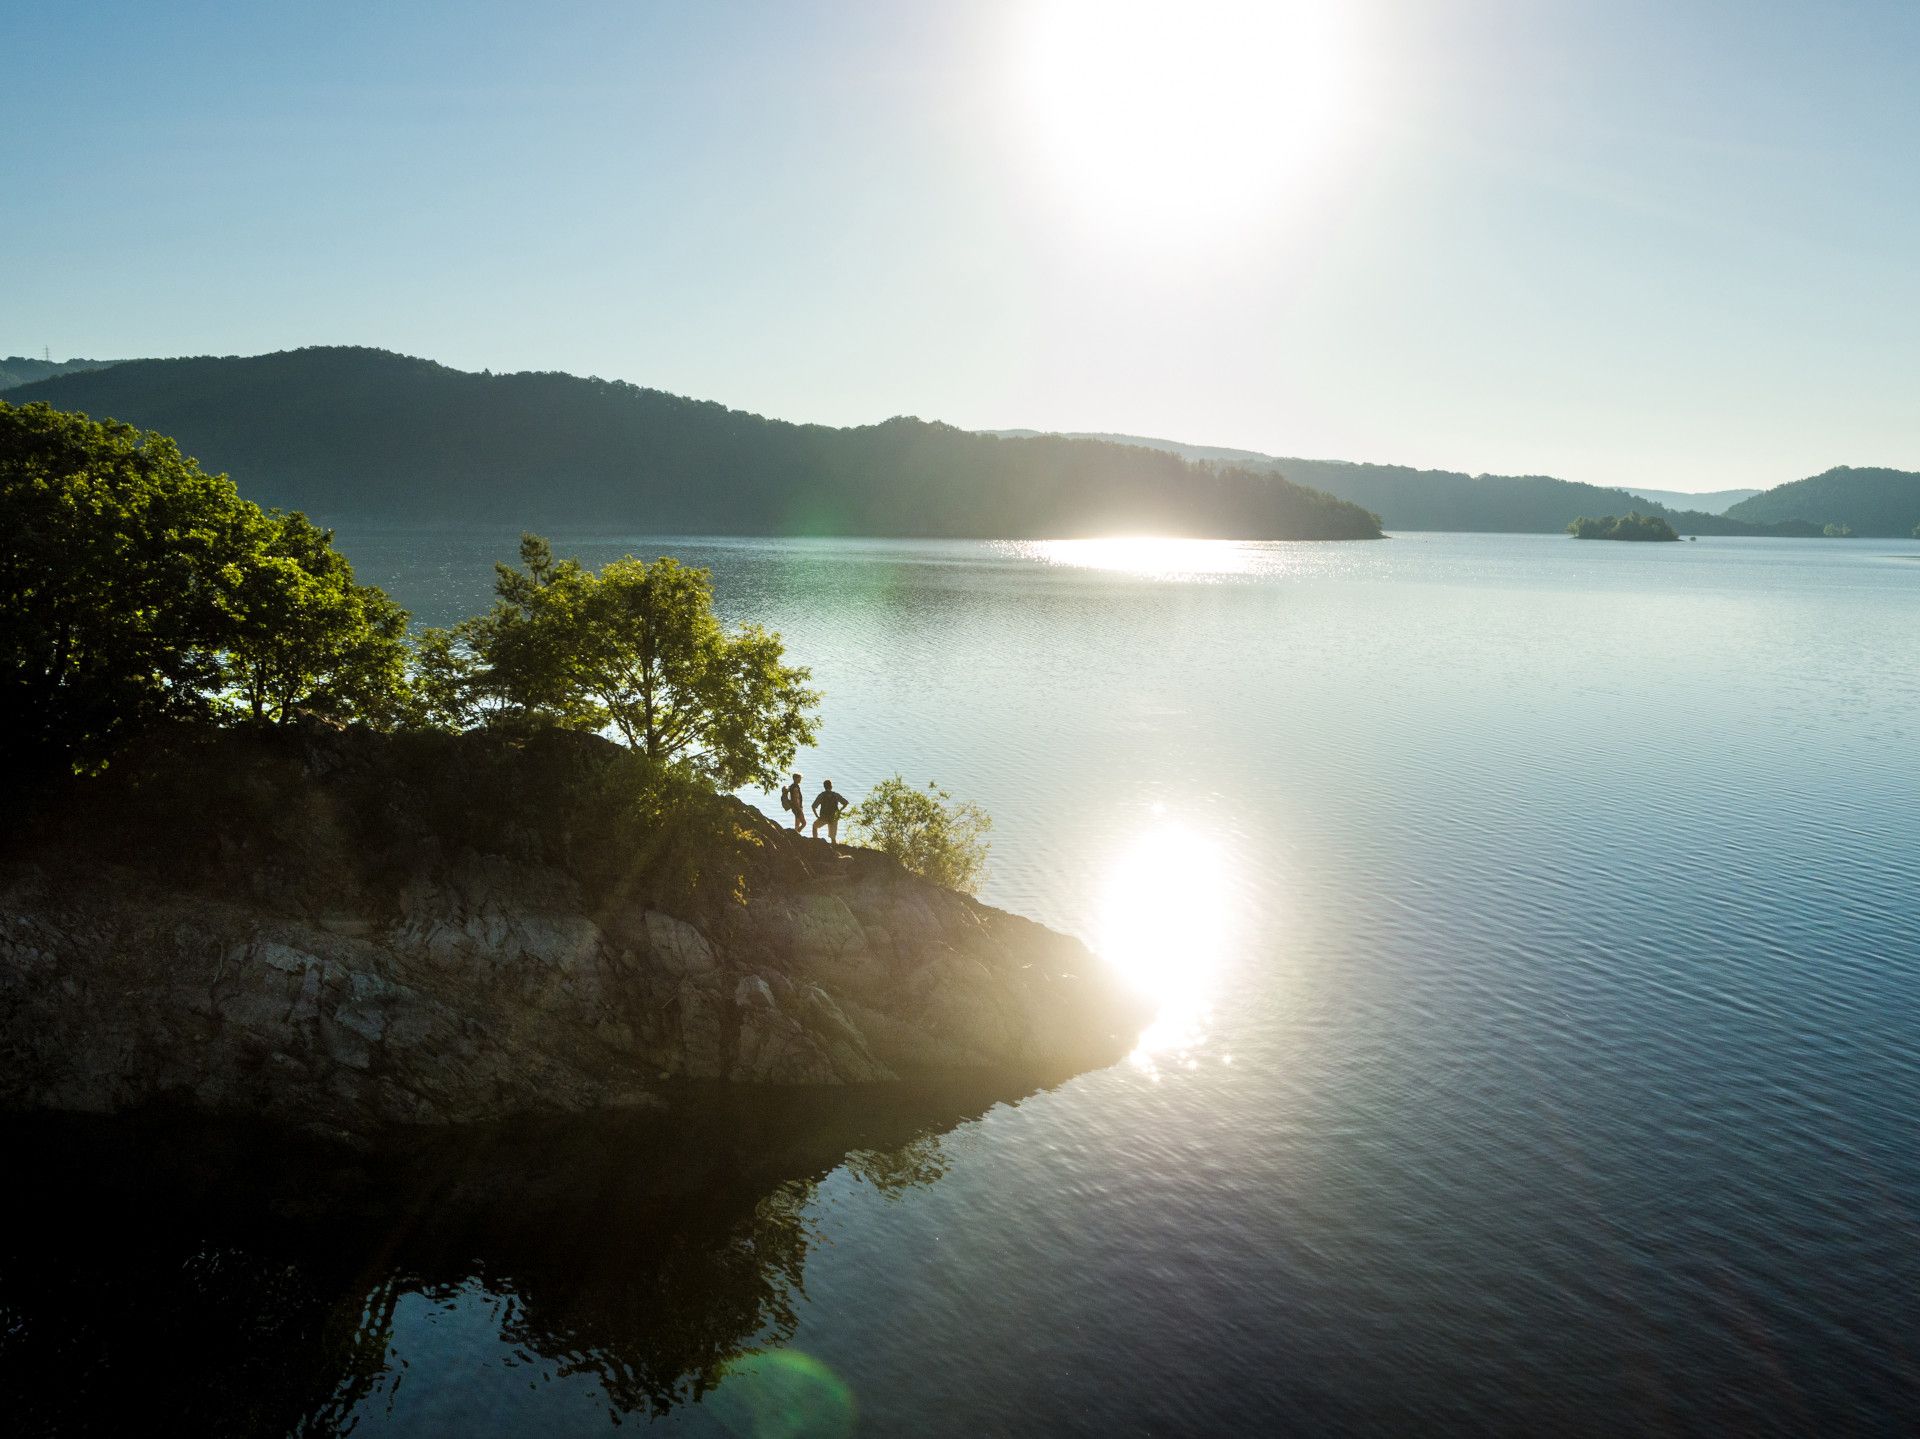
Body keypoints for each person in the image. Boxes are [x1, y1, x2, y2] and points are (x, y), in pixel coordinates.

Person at [811, 779, 852, 843]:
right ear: (831, 786)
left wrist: (817, 816)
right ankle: (834, 849)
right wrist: (840, 810)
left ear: (824, 787)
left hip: (824, 817)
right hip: (834, 817)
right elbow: (846, 803)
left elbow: (813, 806)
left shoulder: (822, 795)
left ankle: (815, 842)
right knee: (833, 837)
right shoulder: (835, 795)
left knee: (814, 826)